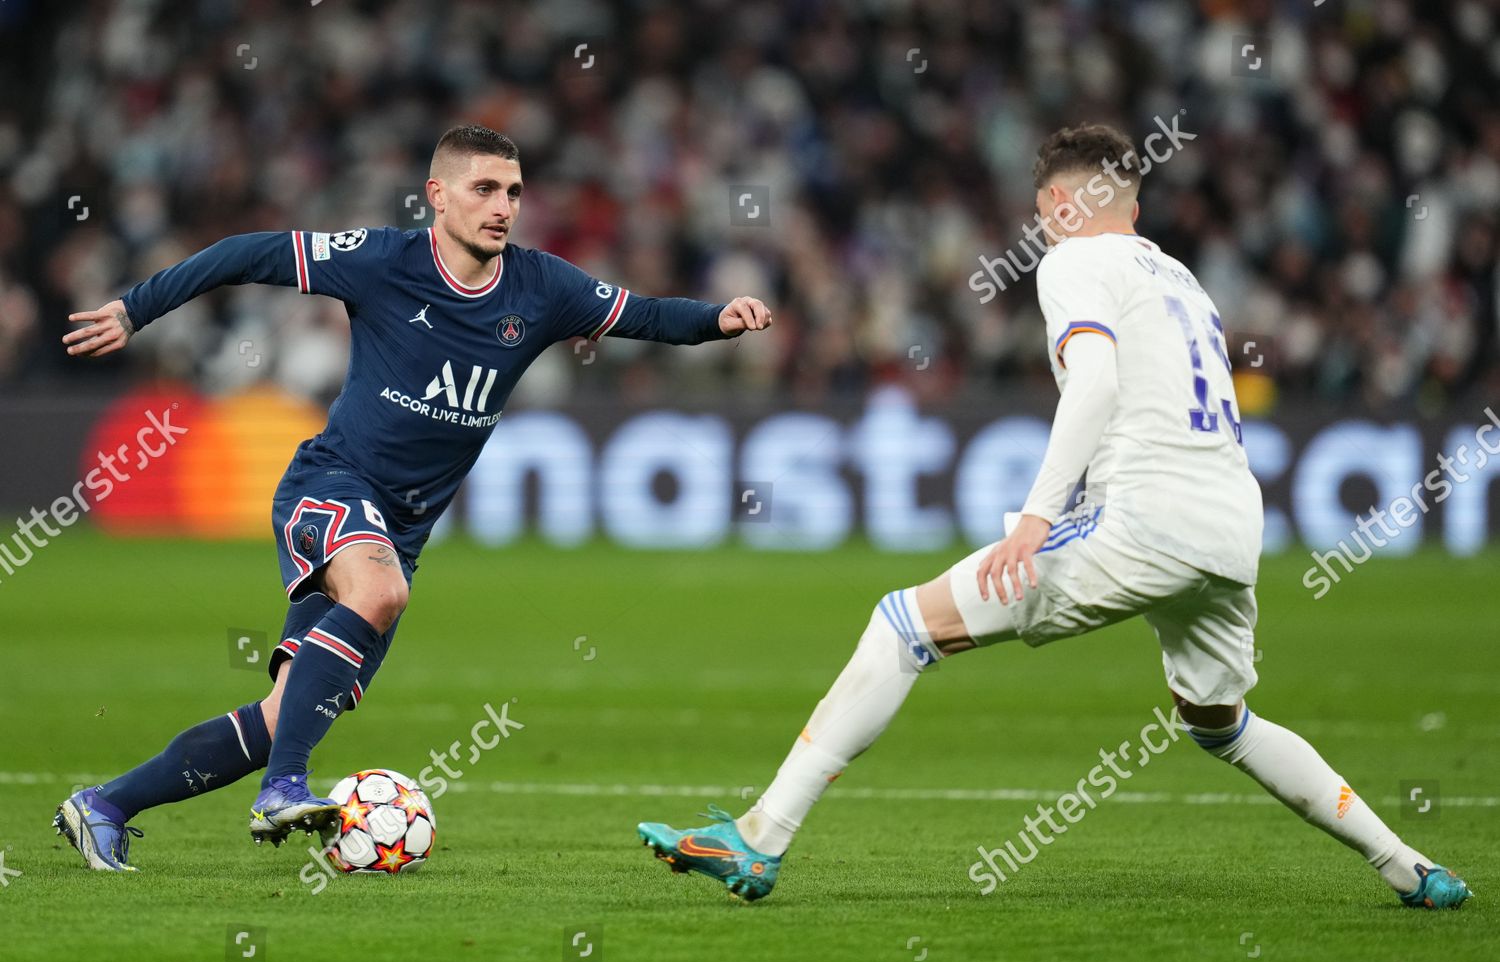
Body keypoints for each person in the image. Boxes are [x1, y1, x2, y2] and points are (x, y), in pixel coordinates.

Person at [637, 123, 1471, 910]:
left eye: (1042, 216)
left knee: (902, 626)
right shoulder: (1180, 279)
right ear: (1133, 206)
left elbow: (1098, 382)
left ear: (1061, 208)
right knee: (1222, 723)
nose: (1041, 232)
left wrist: (1036, 520)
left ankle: (759, 836)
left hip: (1143, 515)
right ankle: (1411, 867)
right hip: (1231, 522)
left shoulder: (1074, 261)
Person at [54, 124, 772, 870]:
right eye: (484, 189)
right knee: (379, 591)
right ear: (437, 195)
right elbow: (246, 253)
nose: (503, 206)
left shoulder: (543, 287)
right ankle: (282, 790)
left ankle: (105, 804)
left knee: (281, 715)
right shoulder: (382, 262)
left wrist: (719, 320)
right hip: (329, 488)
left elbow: (647, 316)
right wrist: (136, 309)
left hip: (400, 532)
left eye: (515, 192)